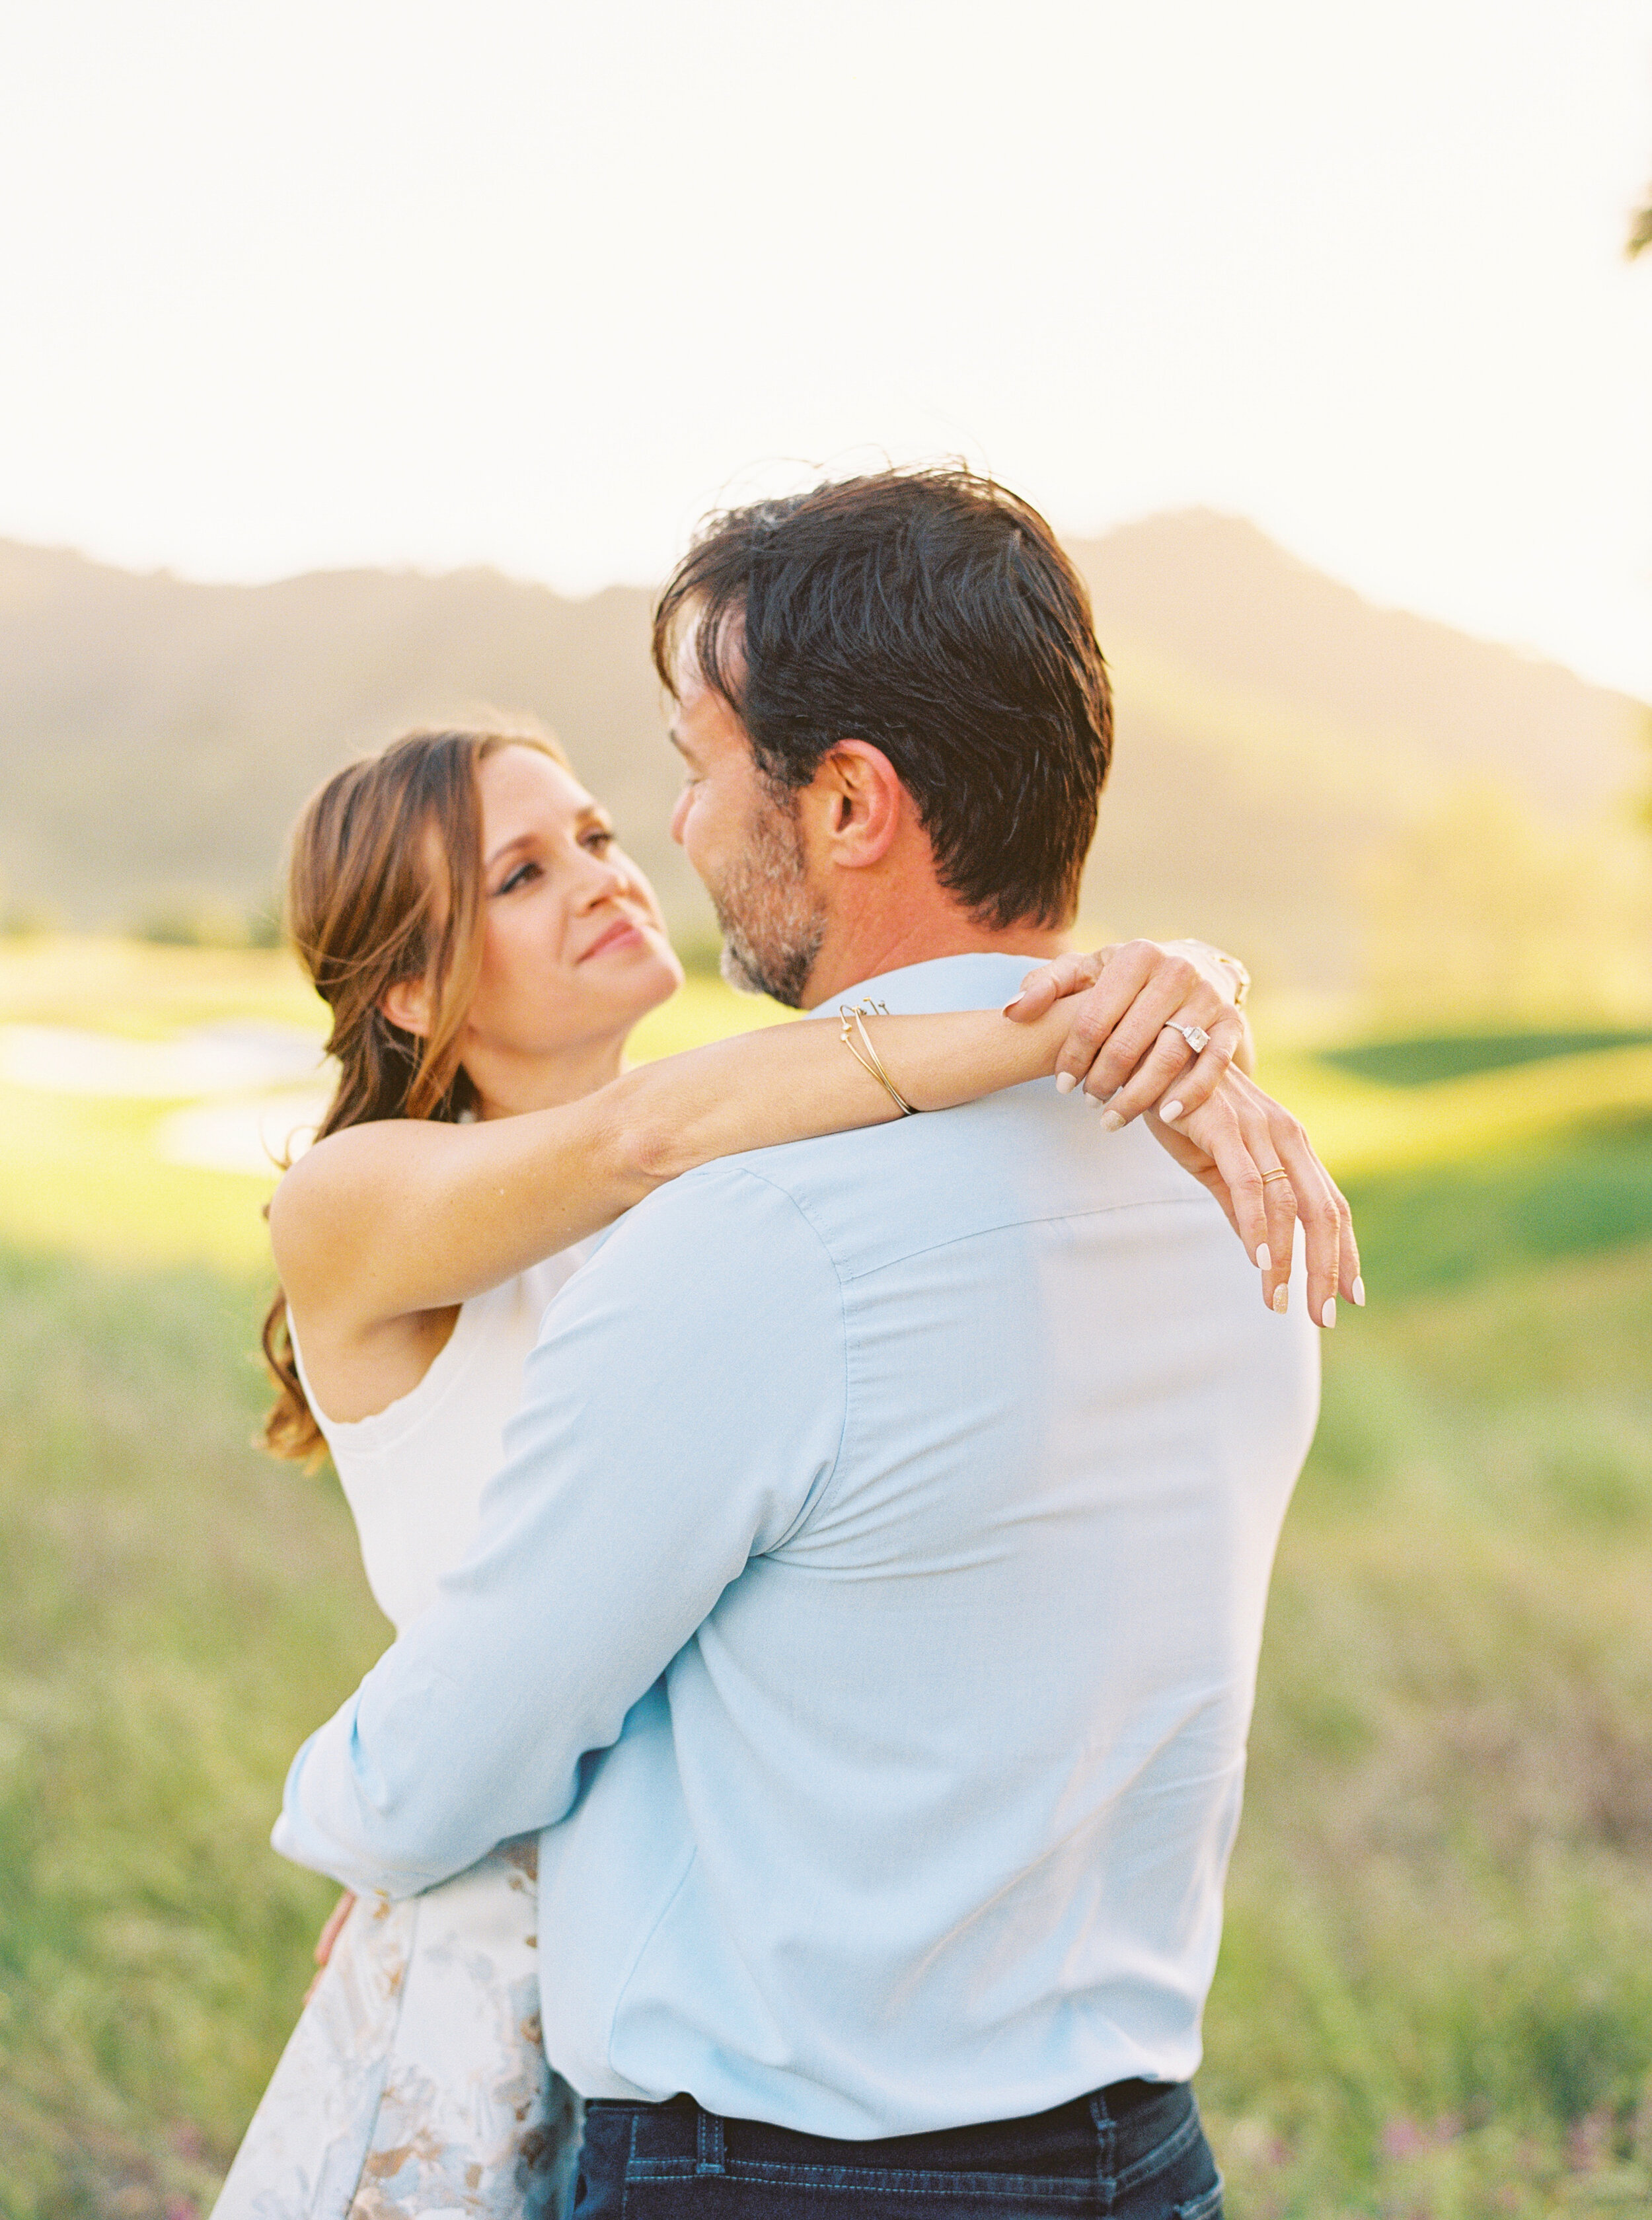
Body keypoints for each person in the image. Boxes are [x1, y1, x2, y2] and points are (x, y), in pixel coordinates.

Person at [260, 468, 1358, 2220]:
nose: (657, 849)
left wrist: (372, 1813)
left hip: (772, 2159)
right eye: (522, 874)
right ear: (409, 984)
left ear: (845, 803)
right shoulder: (1210, 1185)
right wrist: (1142, 999)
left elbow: (452, 1758)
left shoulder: (754, 1227)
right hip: (1132, 2151)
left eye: (659, 792)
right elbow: (644, 1143)